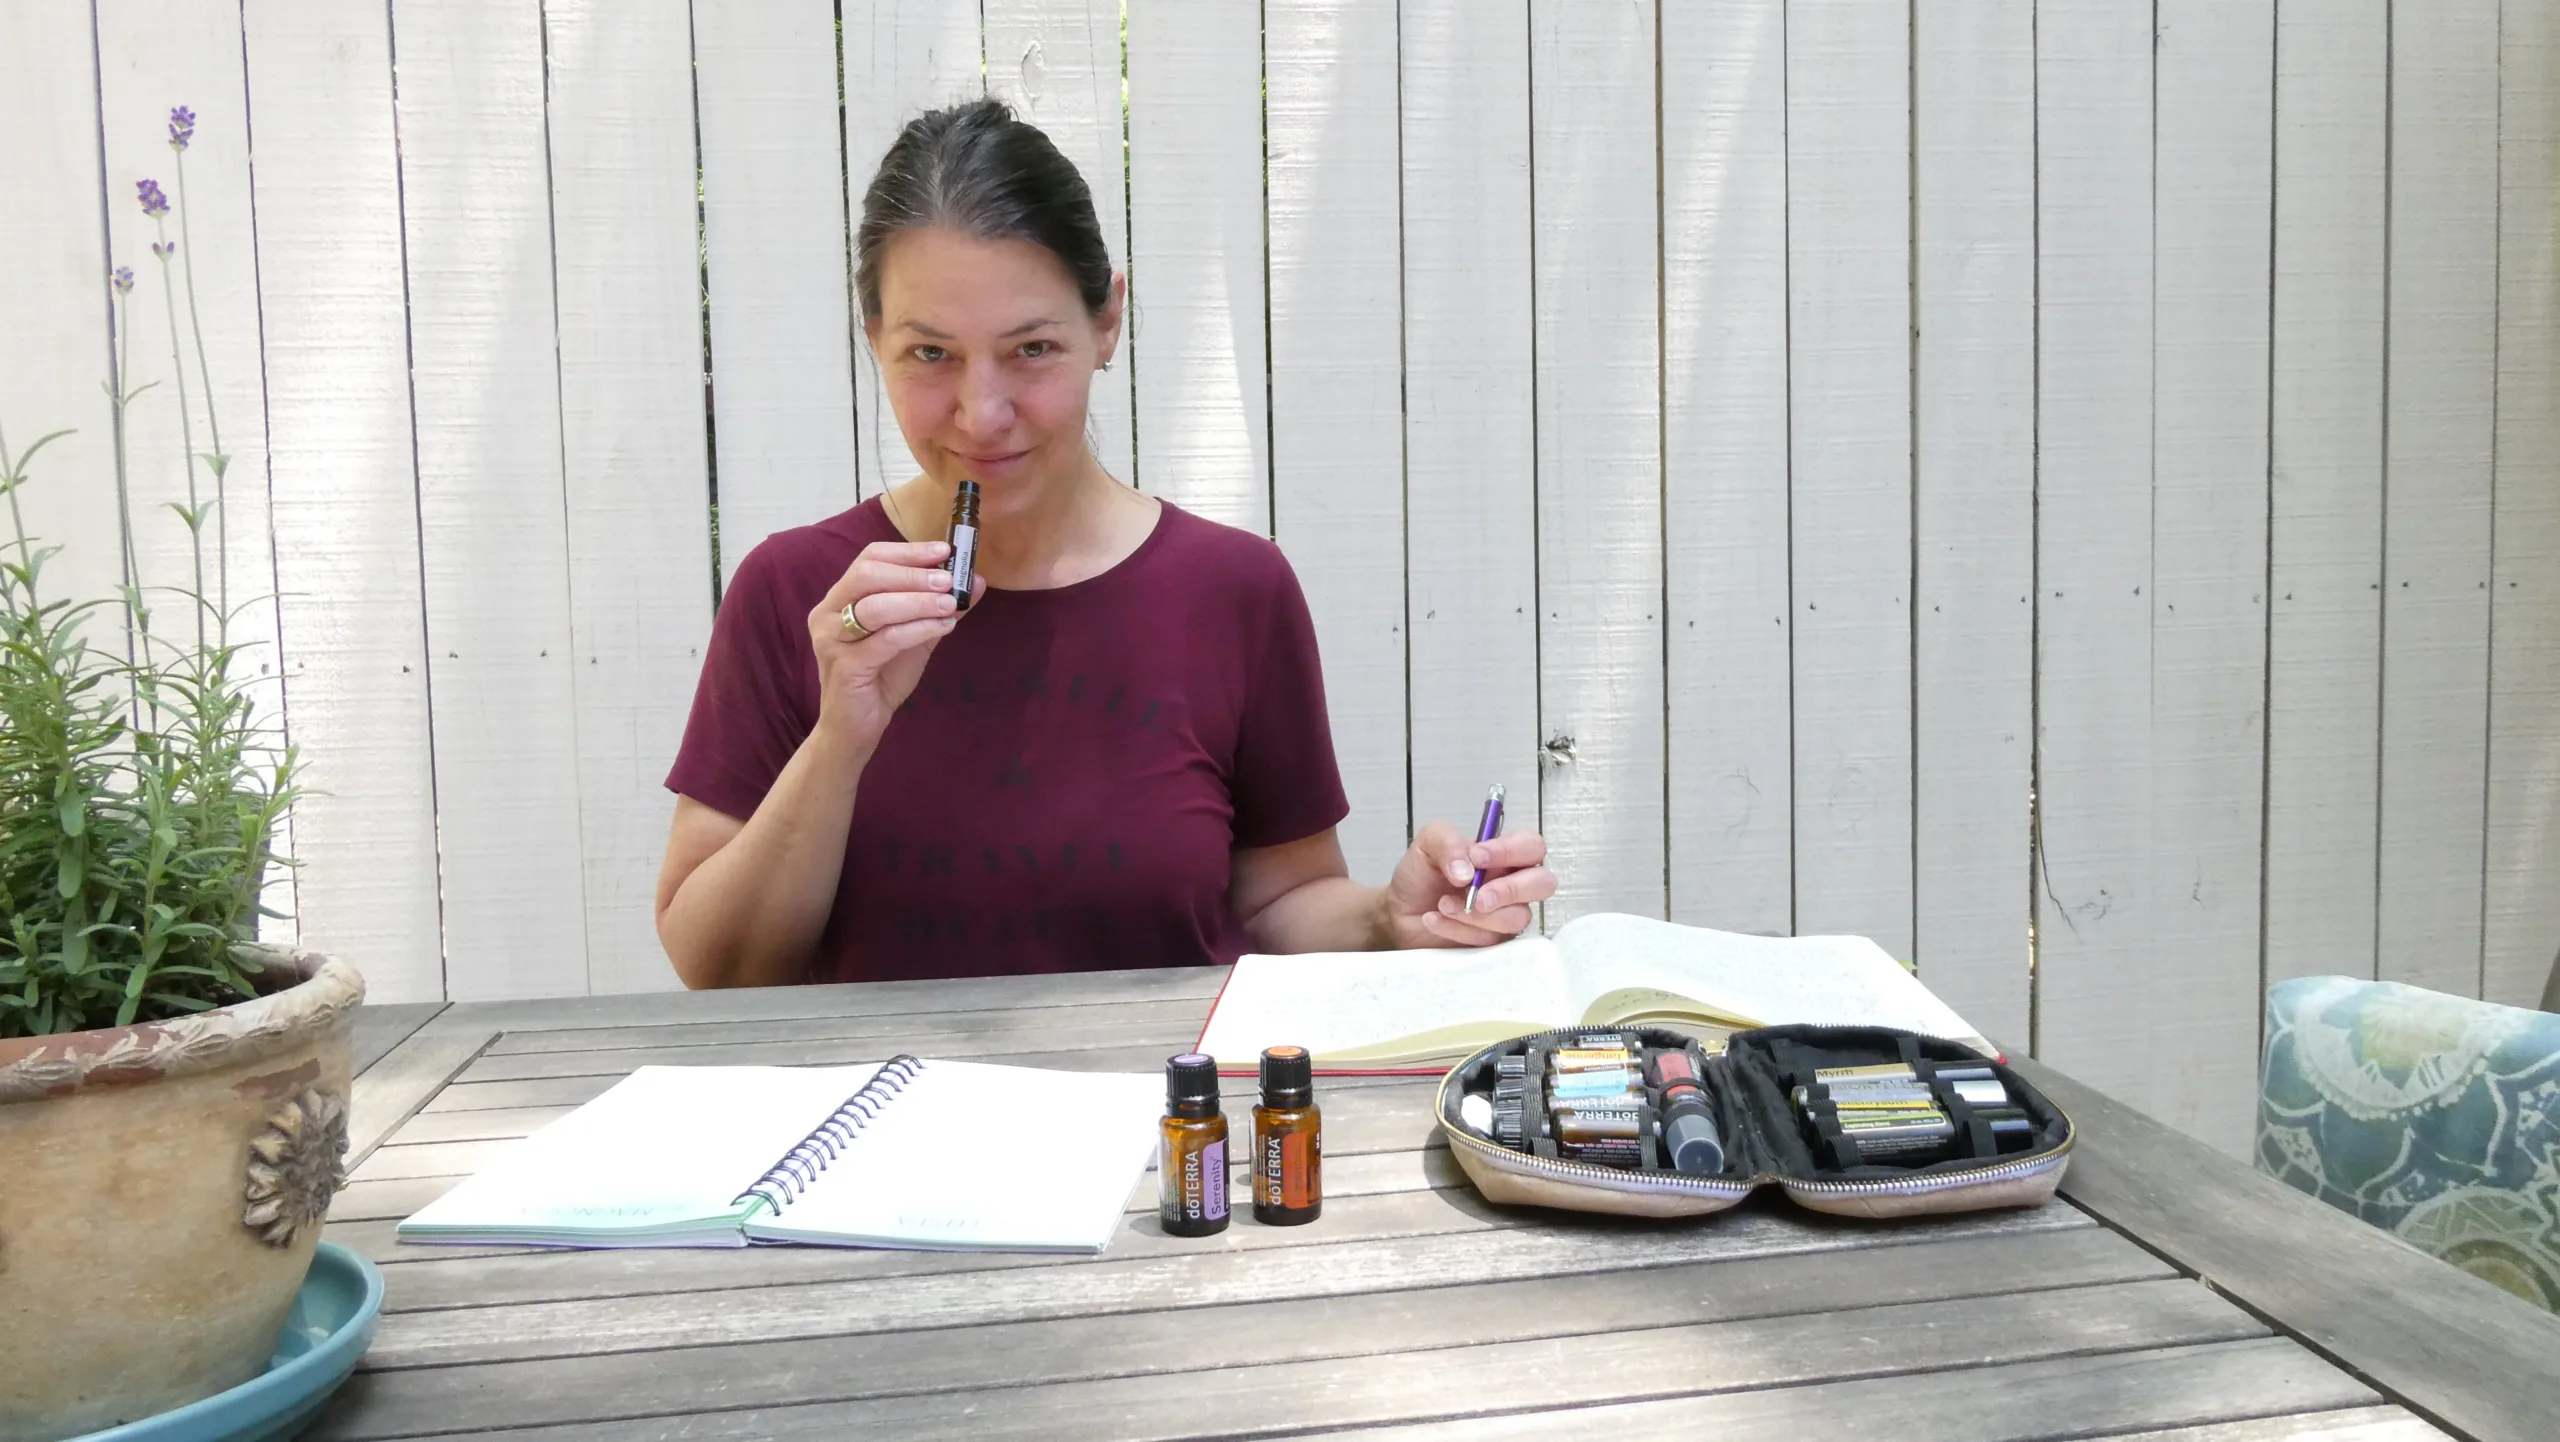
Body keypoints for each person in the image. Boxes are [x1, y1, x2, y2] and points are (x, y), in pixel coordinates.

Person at [655, 99, 1554, 989]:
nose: (983, 412)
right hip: (876, 1124)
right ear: (874, 340)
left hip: (1171, 1128)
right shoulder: (800, 595)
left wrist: (1388, 922)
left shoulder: (1232, 589)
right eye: (930, 355)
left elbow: (1277, 901)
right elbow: (715, 968)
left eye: (1032, 348)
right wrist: (839, 738)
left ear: (1107, 322)